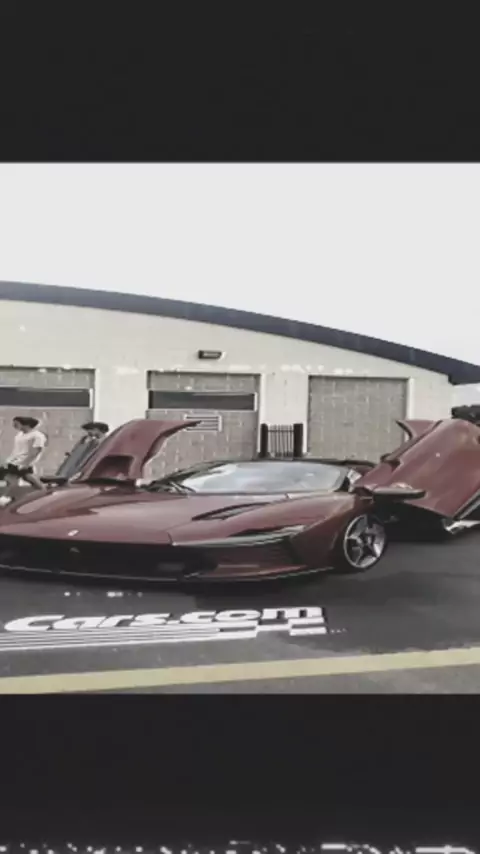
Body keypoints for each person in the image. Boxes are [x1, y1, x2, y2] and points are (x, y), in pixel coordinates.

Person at [0, 416, 47, 504]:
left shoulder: (37, 436)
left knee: (13, 480)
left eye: (16, 424)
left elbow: (36, 451)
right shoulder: (19, 435)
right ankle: (44, 492)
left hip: (23, 462)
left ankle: (6, 498)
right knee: (24, 478)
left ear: (26, 424)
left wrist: (26, 463)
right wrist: (9, 460)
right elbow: (16, 449)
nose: (14, 426)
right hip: (14, 461)